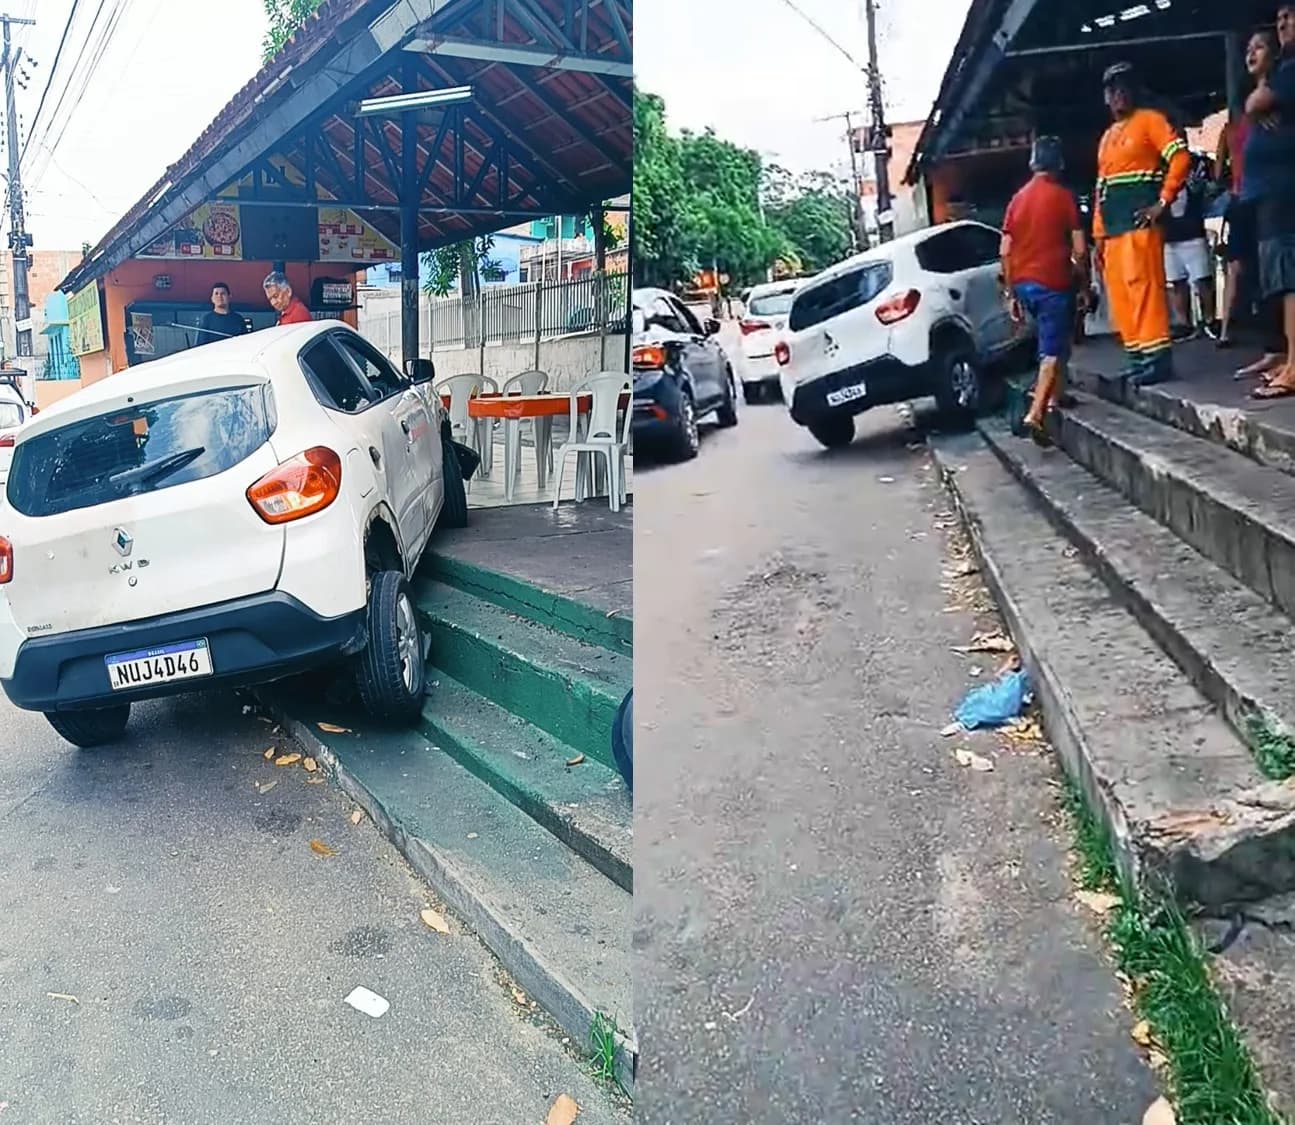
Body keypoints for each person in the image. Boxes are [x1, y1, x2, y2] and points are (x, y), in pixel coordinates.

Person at [1092, 62, 1191, 386]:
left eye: (1124, 87)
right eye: (1112, 89)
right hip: (1113, 231)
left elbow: (1180, 157)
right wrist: (1098, 237)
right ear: (1105, 97)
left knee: (1144, 290)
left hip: (1139, 226)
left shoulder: (1150, 121)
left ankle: (1158, 361)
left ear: (1134, 91)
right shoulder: (1106, 137)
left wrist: (1162, 202)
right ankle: (1138, 359)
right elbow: (1101, 189)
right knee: (1121, 297)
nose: (1118, 94)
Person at [1000, 135, 1087, 443]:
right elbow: (1079, 248)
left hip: (1023, 284)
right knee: (1051, 349)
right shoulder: (1063, 197)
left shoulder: (1016, 200)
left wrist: (1010, 292)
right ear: (1058, 164)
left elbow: (1005, 250)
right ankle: (1036, 413)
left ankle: (1058, 395)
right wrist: (1083, 281)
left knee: (1057, 339)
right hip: (1053, 283)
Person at [1231, 28, 1288, 378]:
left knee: (1280, 274)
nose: (1251, 54)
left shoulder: (1278, 90)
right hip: (1246, 194)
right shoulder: (1246, 100)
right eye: (1248, 49)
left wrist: (1258, 104)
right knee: (1258, 276)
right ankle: (1273, 349)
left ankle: (1285, 353)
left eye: (1259, 47)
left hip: (1272, 192)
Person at [1245, 5, 1295, 400]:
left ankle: (1294, 366)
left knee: (1290, 278)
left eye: (1289, 19)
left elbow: (1253, 106)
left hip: (1284, 189)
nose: (1283, 26)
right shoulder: (1281, 74)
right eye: (1279, 21)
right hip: (1271, 193)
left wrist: (1264, 88)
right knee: (1279, 279)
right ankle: (1286, 356)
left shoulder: (1290, 73)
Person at [1162, 141, 1217, 339]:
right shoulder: (1157, 165)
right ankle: (1184, 323)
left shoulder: (1197, 163)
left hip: (1192, 231)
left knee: (1202, 279)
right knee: (1176, 281)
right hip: (1170, 233)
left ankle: (1209, 320)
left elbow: (1213, 183)